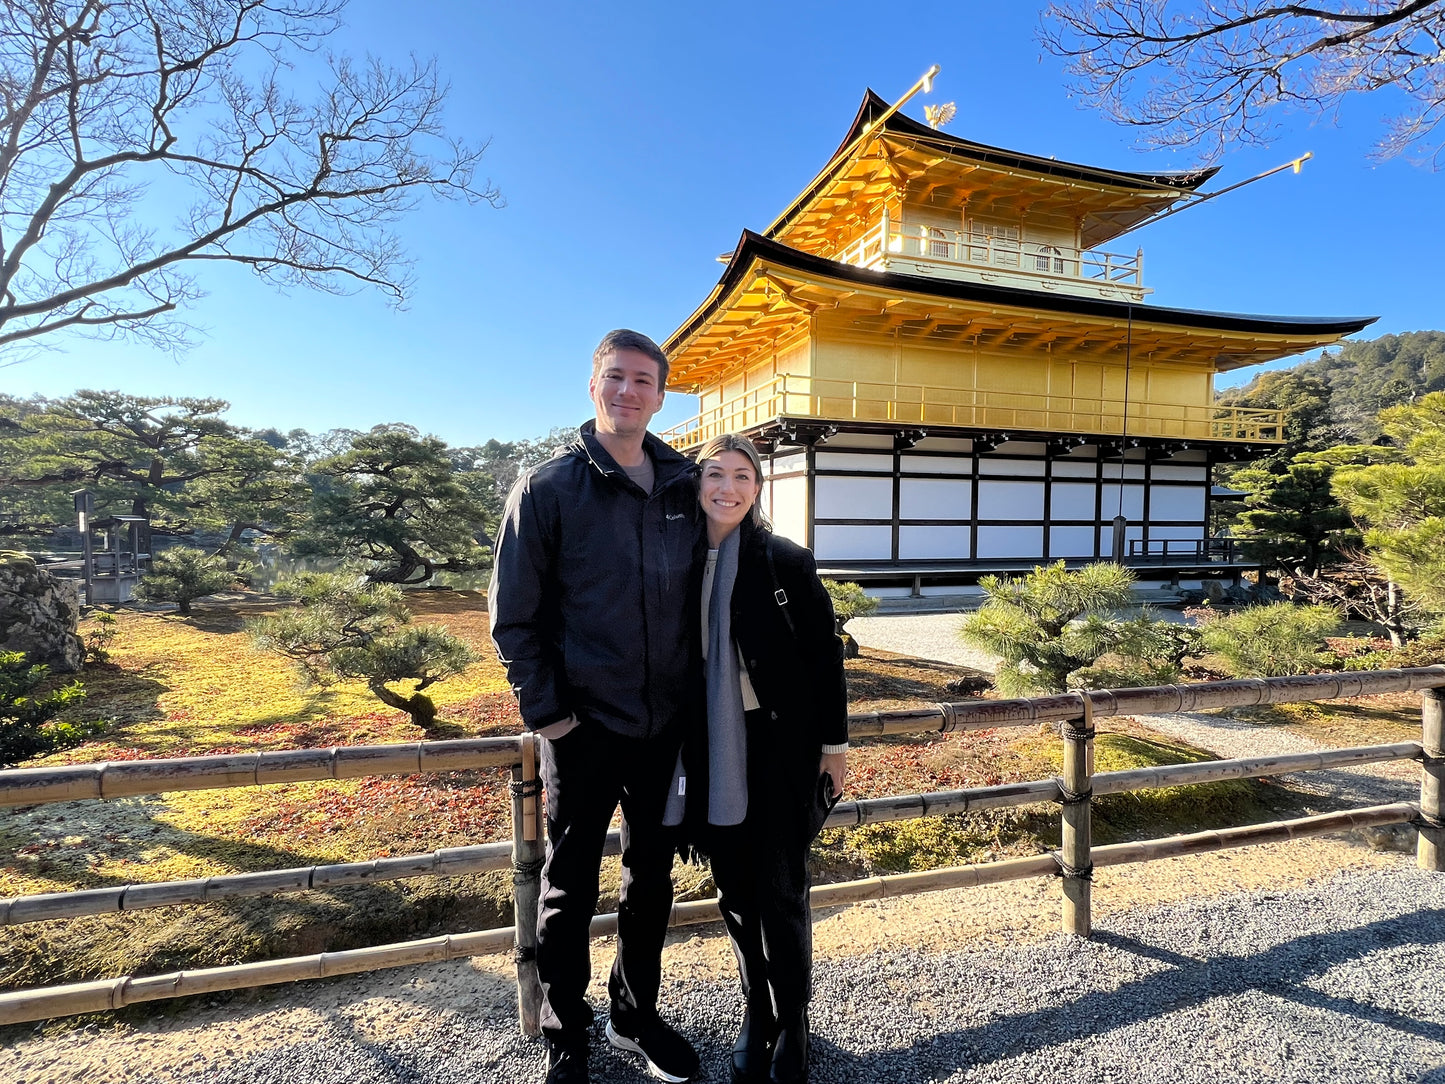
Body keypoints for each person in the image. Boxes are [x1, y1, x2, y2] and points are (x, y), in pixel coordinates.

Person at [489, 329, 702, 1084]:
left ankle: (634, 1014)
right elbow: (513, 617)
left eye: (643, 380)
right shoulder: (548, 487)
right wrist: (551, 719)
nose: (628, 392)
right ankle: (566, 1027)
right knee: (568, 883)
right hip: (580, 729)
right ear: (592, 385)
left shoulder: (685, 484)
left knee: (652, 876)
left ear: (661, 393)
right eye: (615, 377)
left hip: (667, 728)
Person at [664, 433, 848, 1084]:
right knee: (735, 889)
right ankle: (757, 1005)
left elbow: (826, 658)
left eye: (743, 476)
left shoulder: (784, 562)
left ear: (757, 489)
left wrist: (836, 745)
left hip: (778, 747)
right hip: (706, 748)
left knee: (780, 888)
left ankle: (793, 1017)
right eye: (714, 474)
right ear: (695, 484)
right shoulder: (673, 562)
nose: (728, 488)